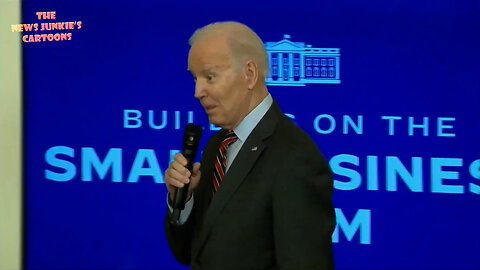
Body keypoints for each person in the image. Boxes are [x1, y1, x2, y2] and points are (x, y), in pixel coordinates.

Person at [164, 21, 335, 270]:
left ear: (250, 74)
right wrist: (183, 200)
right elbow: (190, 253)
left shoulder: (295, 157)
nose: (197, 91)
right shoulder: (216, 146)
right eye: (195, 78)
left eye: (210, 77)